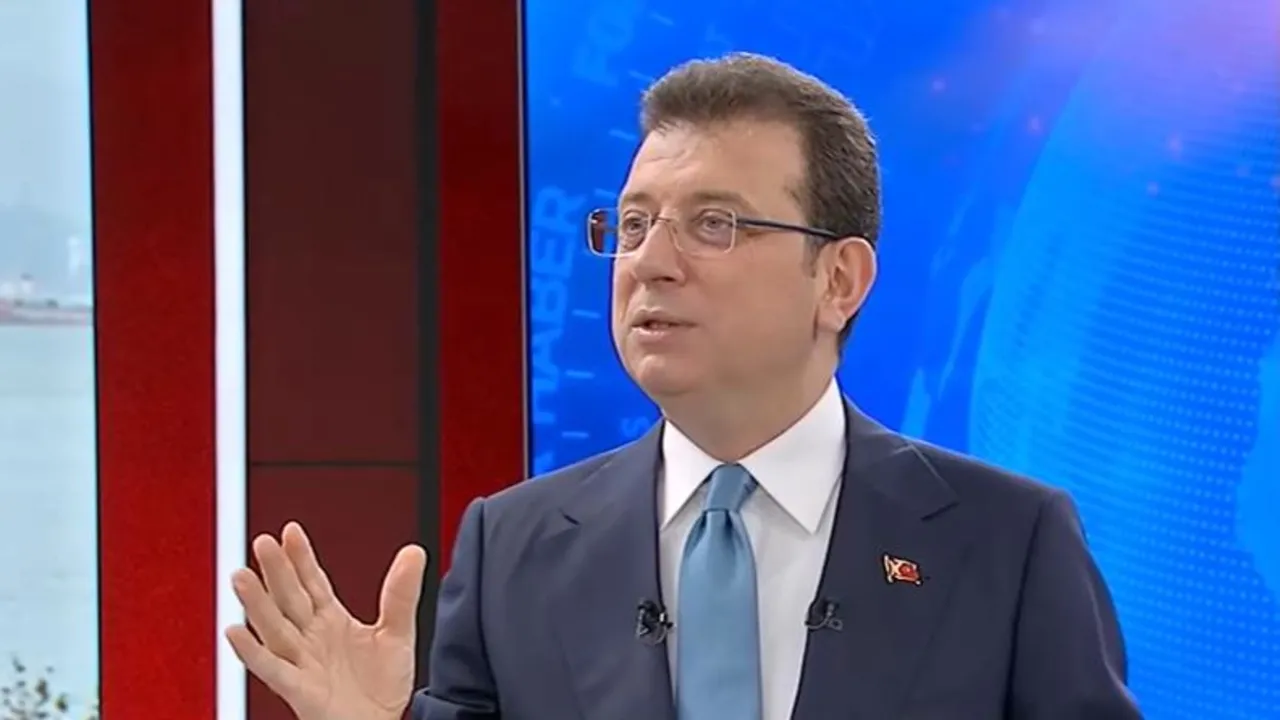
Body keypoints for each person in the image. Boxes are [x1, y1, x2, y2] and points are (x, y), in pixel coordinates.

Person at [226, 53, 1144, 720]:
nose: (650, 263)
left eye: (713, 224)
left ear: (839, 281)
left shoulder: (1007, 542)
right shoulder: (514, 547)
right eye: (632, 225)